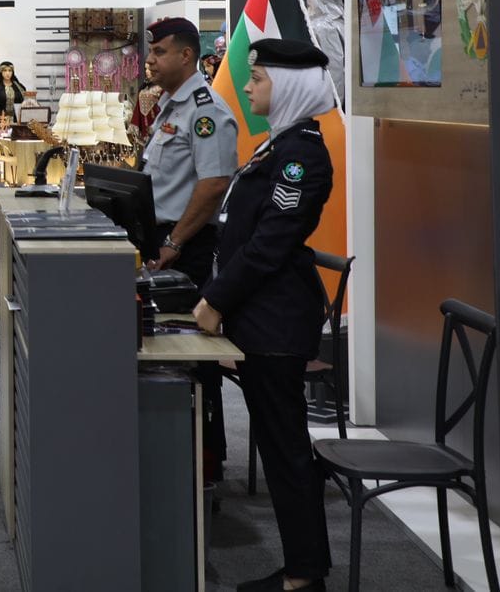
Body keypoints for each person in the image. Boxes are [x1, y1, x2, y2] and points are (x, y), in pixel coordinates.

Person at [193, 38, 336, 592]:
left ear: (291, 85)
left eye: (258, 79)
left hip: (274, 323)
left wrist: (215, 300)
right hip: (259, 317)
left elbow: (269, 245)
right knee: (280, 449)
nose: (248, 87)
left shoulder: (302, 156)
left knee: (285, 451)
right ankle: (305, 567)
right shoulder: (277, 146)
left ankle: (303, 575)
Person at [139, 16, 239, 483]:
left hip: (186, 248)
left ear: (186, 55)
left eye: (159, 52)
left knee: (192, 354)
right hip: (163, 244)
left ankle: (206, 463)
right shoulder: (169, 107)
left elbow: (214, 183)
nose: (151, 60)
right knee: (163, 351)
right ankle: (173, 458)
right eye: (151, 51)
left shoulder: (205, 111)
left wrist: (174, 242)